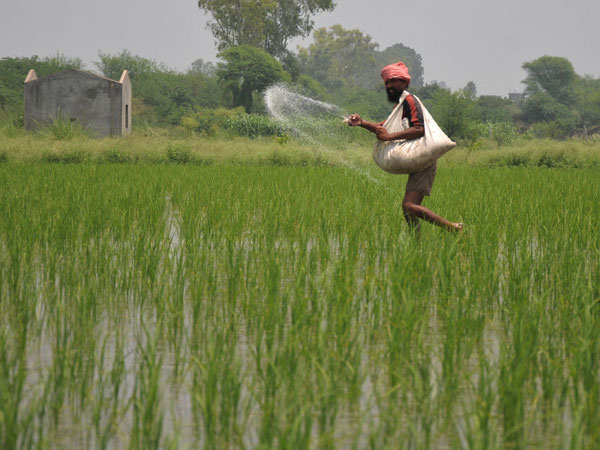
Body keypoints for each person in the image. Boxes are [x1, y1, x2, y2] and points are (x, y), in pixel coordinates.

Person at [347, 61, 463, 233]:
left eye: (394, 81)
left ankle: (453, 228)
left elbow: (419, 128)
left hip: (424, 163)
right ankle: (416, 246)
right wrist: (361, 123)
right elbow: (383, 128)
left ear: (405, 83)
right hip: (418, 161)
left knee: (409, 206)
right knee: (408, 211)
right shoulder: (400, 105)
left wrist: (389, 137)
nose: (390, 85)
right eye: (387, 82)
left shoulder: (410, 100)